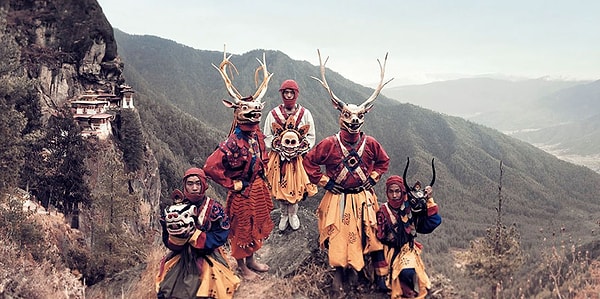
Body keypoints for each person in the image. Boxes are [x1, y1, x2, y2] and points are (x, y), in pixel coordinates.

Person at [303, 50, 393, 296]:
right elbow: (309, 161)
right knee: (338, 235)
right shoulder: (330, 143)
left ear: (365, 116)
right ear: (339, 113)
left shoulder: (371, 143)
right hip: (338, 198)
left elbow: (383, 162)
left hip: (363, 197)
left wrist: (373, 178)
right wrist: (324, 182)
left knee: (369, 234)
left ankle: (357, 273)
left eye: (359, 115)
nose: (353, 120)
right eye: (348, 115)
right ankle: (338, 275)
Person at [204, 48, 275, 280]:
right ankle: (242, 266)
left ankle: (252, 259)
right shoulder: (232, 142)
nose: (253, 116)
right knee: (242, 227)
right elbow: (211, 167)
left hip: (257, 188)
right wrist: (231, 183)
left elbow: (264, 159)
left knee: (255, 225)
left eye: (256, 112)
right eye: (248, 112)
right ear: (237, 112)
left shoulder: (257, 137)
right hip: (241, 191)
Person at [156, 167, 240, 299]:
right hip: (183, 255)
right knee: (168, 289)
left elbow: (222, 234)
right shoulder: (175, 209)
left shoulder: (214, 208)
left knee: (212, 288)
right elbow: (167, 238)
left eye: (198, 183)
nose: (194, 187)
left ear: (204, 185)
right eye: (190, 184)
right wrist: (177, 239)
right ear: (185, 185)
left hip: (208, 253)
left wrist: (197, 236)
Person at [263, 79, 318, 231]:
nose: (288, 95)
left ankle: (293, 214)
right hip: (278, 158)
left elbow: (311, 135)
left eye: (291, 92)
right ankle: (283, 214)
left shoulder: (305, 114)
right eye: (285, 92)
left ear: (296, 94)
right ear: (282, 94)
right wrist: (278, 147)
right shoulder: (273, 114)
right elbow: (267, 135)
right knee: (280, 186)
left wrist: (299, 149)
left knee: (296, 185)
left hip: (297, 159)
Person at [376, 175, 442, 299]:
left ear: (402, 192)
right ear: (387, 192)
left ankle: (408, 290)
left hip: (407, 249)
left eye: (397, 191)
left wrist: (429, 199)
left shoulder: (410, 211)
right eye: (391, 191)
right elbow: (378, 236)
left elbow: (433, 221)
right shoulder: (382, 211)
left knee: (408, 272)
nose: (394, 195)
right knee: (384, 282)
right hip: (387, 250)